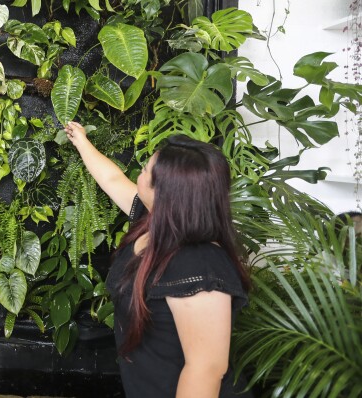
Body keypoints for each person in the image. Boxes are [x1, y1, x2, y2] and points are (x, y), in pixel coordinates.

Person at [64, 122, 251, 398]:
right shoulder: (155, 223)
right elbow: (113, 180)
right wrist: (80, 140)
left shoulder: (201, 268)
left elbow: (205, 370)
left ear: (166, 194)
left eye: (144, 170)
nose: (139, 171)